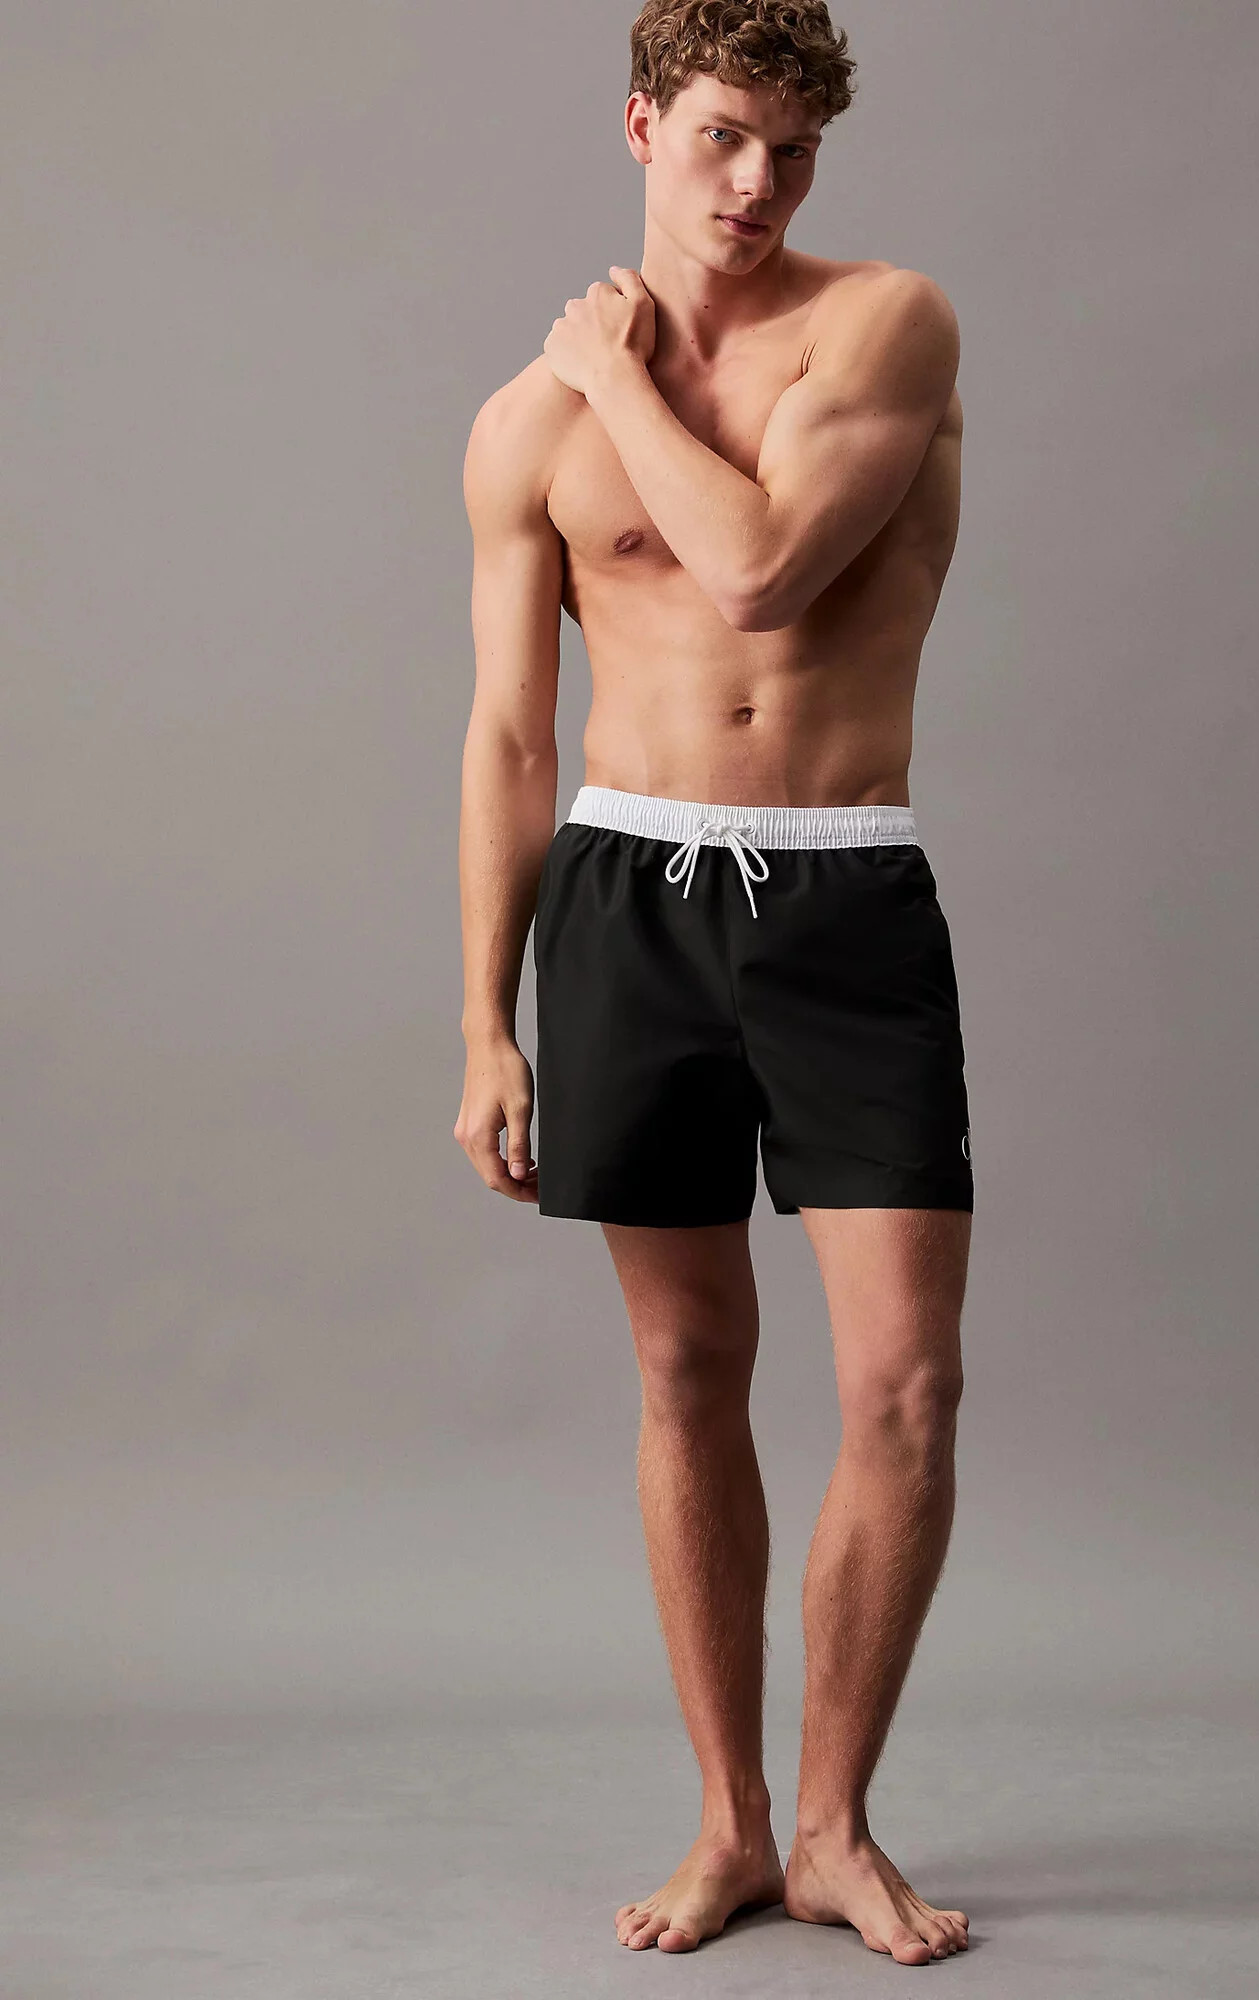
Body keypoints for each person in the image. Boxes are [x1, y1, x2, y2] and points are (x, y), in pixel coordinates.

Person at [454, 0, 972, 1968]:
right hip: (627, 899)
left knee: (904, 1384)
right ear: (641, 127)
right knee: (684, 1371)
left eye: (793, 149)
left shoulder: (885, 325)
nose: (760, 184)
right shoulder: (525, 424)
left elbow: (757, 571)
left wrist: (617, 365)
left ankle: (837, 1824)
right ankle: (734, 1825)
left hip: (843, 896)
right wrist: (483, 1020)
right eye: (723, 139)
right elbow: (512, 736)